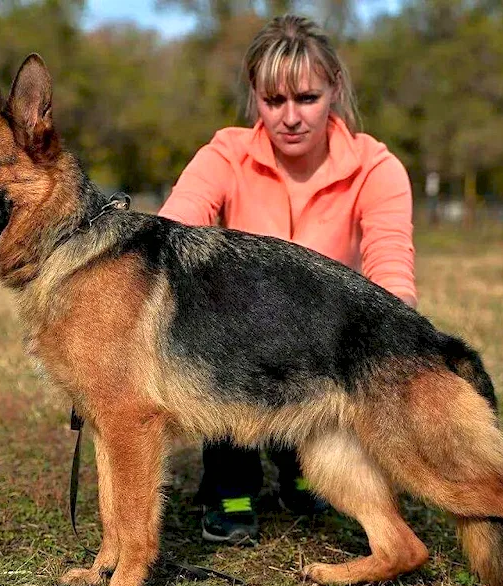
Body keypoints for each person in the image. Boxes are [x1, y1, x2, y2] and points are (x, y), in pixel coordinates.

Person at [158, 15, 418, 544]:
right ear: (254, 97)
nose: (291, 117)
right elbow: (172, 229)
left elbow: (390, 267)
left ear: (334, 91)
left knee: (320, 468)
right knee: (217, 339)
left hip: (325, 347)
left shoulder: (377, 168)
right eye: (274, 101)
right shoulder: (225, 154)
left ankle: (302, 470)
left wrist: (394, 360)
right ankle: (230, 487)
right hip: (238, 345)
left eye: (307, 97)